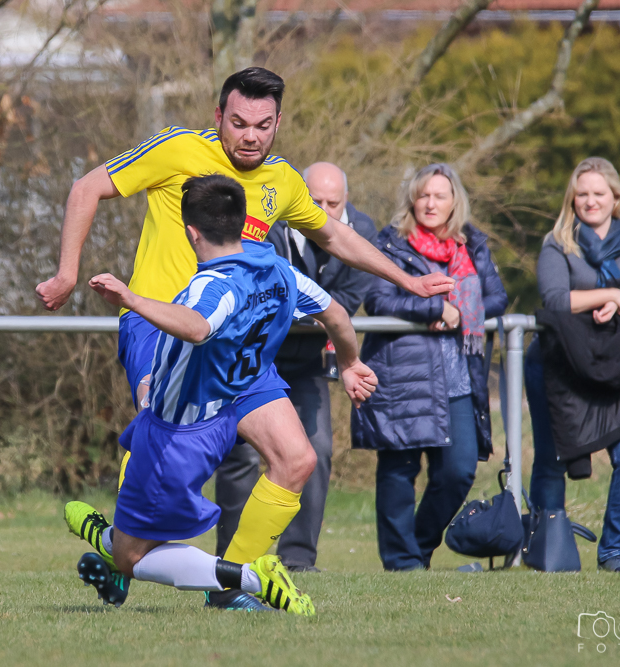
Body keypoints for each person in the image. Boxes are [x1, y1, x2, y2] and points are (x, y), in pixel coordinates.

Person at [40, 68, 450, 610]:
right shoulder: (178, 149)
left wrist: (407, 278)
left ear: (278, 123)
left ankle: (229, 588)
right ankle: (124, 551)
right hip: (162, 329)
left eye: (262, 124)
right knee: (154, 433)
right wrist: (68, 273)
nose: (250, 135)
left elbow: (333, 235)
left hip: (239, 349)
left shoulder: (282, 181)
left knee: (297, 459)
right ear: (218, 118)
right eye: (238, 123)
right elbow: (86, 186)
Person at [74, 174, 376, 615]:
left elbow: (198, 326)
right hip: (204, 414)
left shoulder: (211, 287)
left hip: (190, 424)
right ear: (244, 224)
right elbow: (335, 313)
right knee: (132, 551)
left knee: (131, 556)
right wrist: (350, 362)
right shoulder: (278, 269)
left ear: (191, 233)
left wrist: (130, 297)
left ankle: (237, 581)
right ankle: (128, 543)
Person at [213, 162, 378, 572]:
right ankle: (231, 562)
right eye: (314, 201)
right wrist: (306, 308)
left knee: (316, 451)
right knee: (240, 457)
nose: (322, 210)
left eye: (332, 203)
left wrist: (291, 307)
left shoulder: (362, 231)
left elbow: (346, 300)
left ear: (346, 204)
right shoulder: (264, 222)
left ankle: (299, 559)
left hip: (306, 364)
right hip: (249, 359)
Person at [351, 164, 508, 571]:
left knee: (458, 471)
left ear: (455, 201)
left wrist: (460, 311)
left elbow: (497, 298)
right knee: (398, 474)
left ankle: (418, 548)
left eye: (440, 196)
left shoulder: (472, 245)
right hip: (402, 374)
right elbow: (379, 301)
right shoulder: (390, 243)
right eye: (424, 195)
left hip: (459, 379)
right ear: (412, 200)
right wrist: (433, 309)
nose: (431, 203)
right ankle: (402, 563)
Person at [525, 157, 620, 576]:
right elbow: (555, 299)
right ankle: (547, 553)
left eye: (598, 193)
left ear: (615, 197)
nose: (590, 201)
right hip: (560, 364)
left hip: (619, 364)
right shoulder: (557, 242)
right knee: (551, 458)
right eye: (582, 194)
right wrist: (610, 296)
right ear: (572, 198)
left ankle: (614, 553)